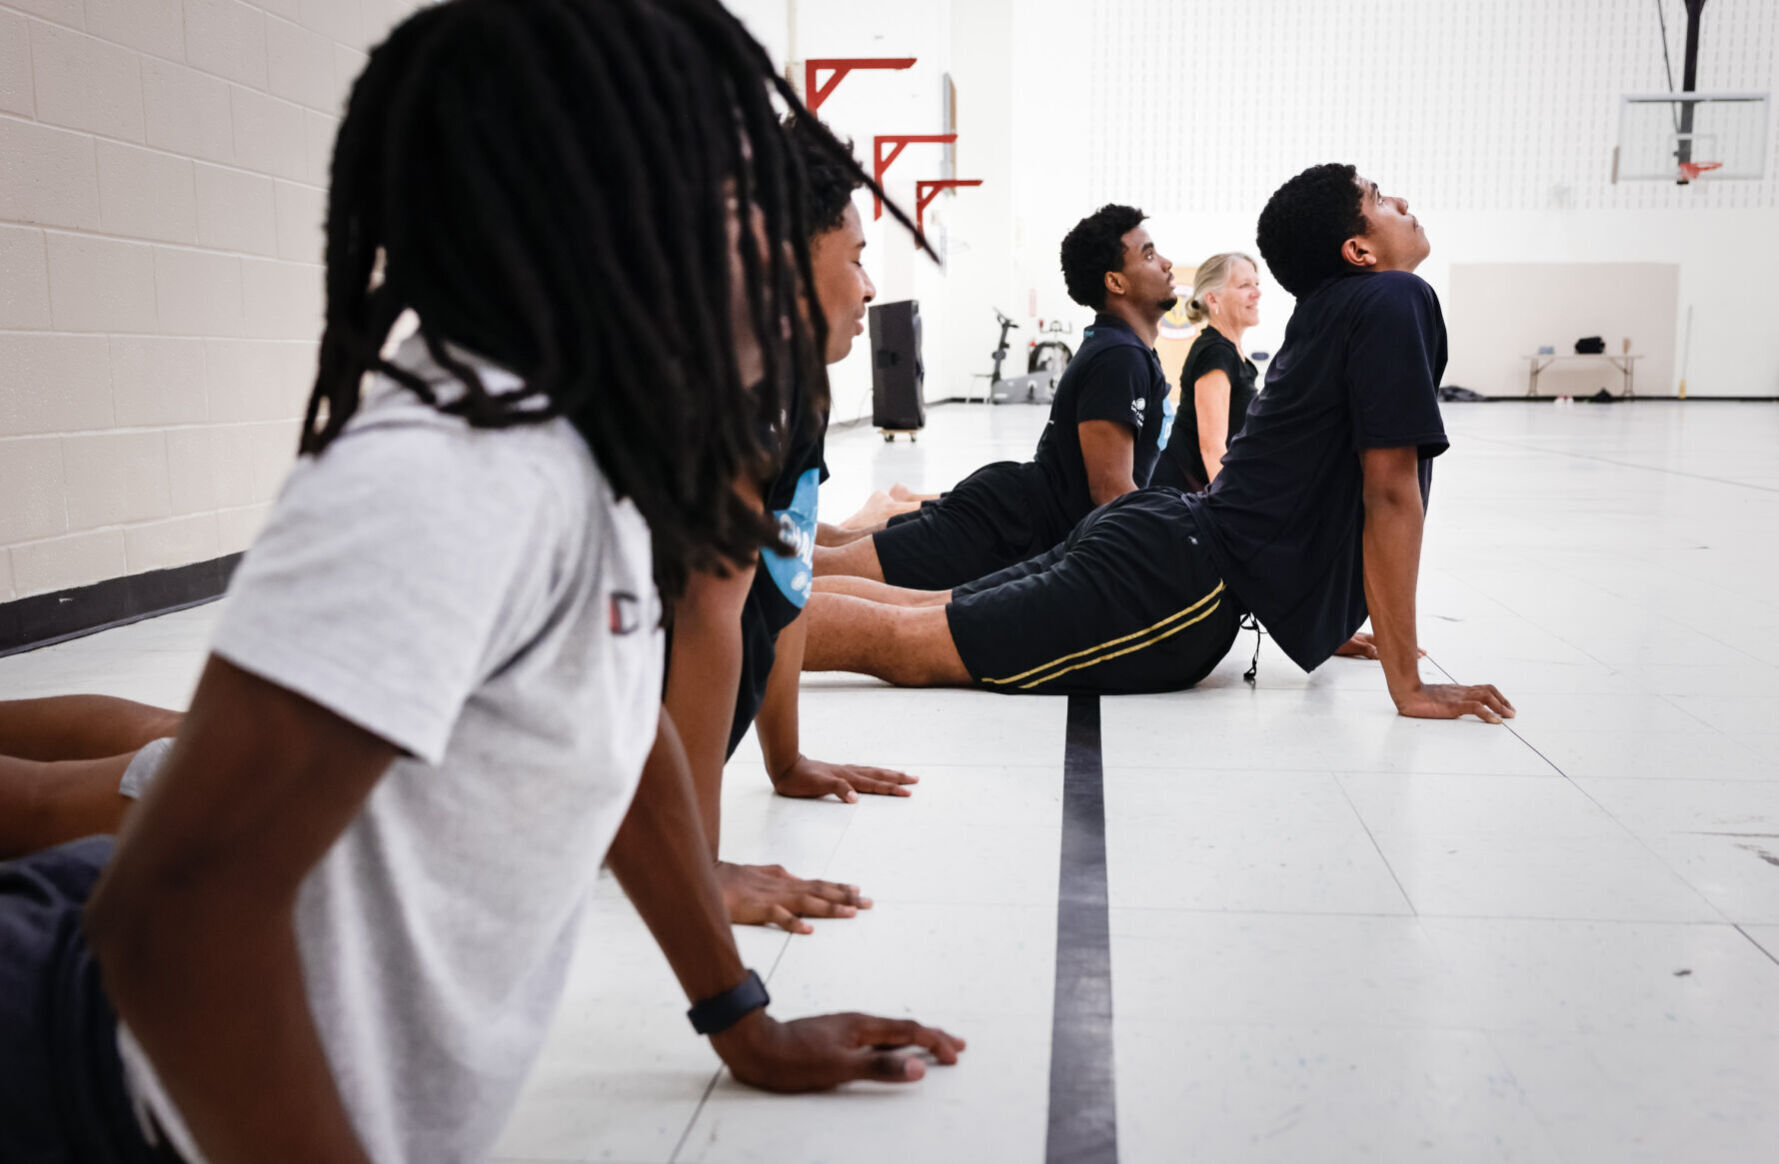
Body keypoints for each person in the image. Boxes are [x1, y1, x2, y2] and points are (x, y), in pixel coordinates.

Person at [0, 5, 963, 1163]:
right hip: (70, 1073)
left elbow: (627, 736)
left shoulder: (592, 440)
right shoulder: (457, 465)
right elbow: (176, 918)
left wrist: (740, 1021)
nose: (778, 248)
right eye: (733, 208)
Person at [800, 163, 1515, 725]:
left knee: (918, 612)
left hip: (1163, 541)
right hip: (1174, 579)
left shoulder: (1336, 310)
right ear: (1357, 249)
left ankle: (732, 607)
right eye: (1381, 198)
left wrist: (1316, 616)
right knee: (906, 640)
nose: (1402, 203)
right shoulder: (1394, 300)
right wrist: (1407, 682)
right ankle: (727, 625)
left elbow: (1292, 491)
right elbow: (1387, 492)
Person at [666, 118, 917, 936]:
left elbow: (788, 580)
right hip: (606, 798)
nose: (871, 286)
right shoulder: (728, 393)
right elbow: (705, 617)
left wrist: (785, 760)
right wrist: (698, 868)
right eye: (854, 256)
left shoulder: (799, 387)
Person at [811, 204, 1173, 591]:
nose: (1166, 263)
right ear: (1115, 282)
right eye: (1149, 254)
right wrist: (1172, 544)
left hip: (1006, 510)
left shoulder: (1122, 350)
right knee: (828, 567)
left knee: (832, 549)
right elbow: (1111, 491)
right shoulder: (1120, 357)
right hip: (1003, 527)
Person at [1150, 252, 1262, 492]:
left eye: (1256, 284)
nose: (1257, 293)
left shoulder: (1233, 355)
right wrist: (1231, 509)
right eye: (1244, 286)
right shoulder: (1216, 353)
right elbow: (1212, 448)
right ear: (1213, 299)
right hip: (1183, 492)